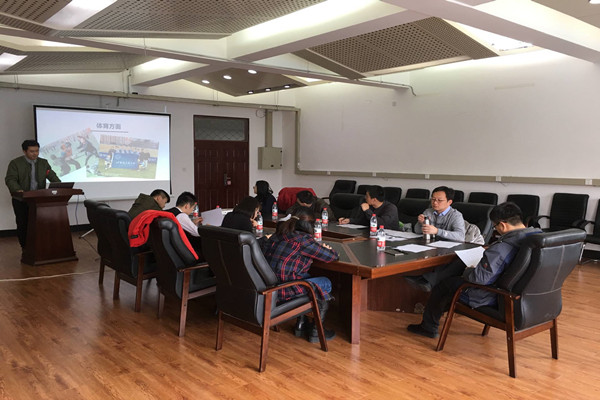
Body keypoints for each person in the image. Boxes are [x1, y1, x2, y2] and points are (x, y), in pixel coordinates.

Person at [407, 202, 542, 339]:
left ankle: (428, 327)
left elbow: (479, 279)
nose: (496, 230)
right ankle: (435, 296)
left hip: (492, 295)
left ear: (502, 225)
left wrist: (469, 270)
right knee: (453, 271)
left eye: (495, 227)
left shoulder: (503, 248)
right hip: (529, 296)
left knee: (444, 285)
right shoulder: (538, 239)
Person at [260, 207, 339, 342]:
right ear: (310, 225)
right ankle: (316, 331)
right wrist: (326, 249)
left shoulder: (278, 234)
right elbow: (332, 257)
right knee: (325, 282)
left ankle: (300, 325)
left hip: (269, 287)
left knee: (306, 275)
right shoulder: (303, 239)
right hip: (284, 289)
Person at [405, 186, 467, 291]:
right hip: (429, 245)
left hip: (448, 248)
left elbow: (460, 236)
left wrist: (437, 231)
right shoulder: (428, 212)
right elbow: (417, 231)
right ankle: (420, 278)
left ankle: (426, 281)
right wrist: (420, 223)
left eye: (439, 200)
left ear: (449, 202)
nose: (435, 203)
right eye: (433, 199)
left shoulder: (456, 216)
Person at [5, 139, 61, 248]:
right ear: (24, 151)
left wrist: (60, 185)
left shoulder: (43, 163)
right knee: (23, 224)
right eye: (32, 151)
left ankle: (39, 247)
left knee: (40, 223)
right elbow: (10, 179)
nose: (35, 154)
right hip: (21, 199)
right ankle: (25, 248)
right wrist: (17, 189)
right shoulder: (15, 163)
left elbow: (52, 176)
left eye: (37, 151)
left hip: (38, 200)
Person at [165, 191, 203, 255]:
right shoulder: (181, 216)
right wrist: (207, 228)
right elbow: (197, 233)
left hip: (170, 249)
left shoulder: (169, 211)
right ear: (187, 206)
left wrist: (192, 223)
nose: (192, 210)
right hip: (183, 252)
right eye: (193, 208)